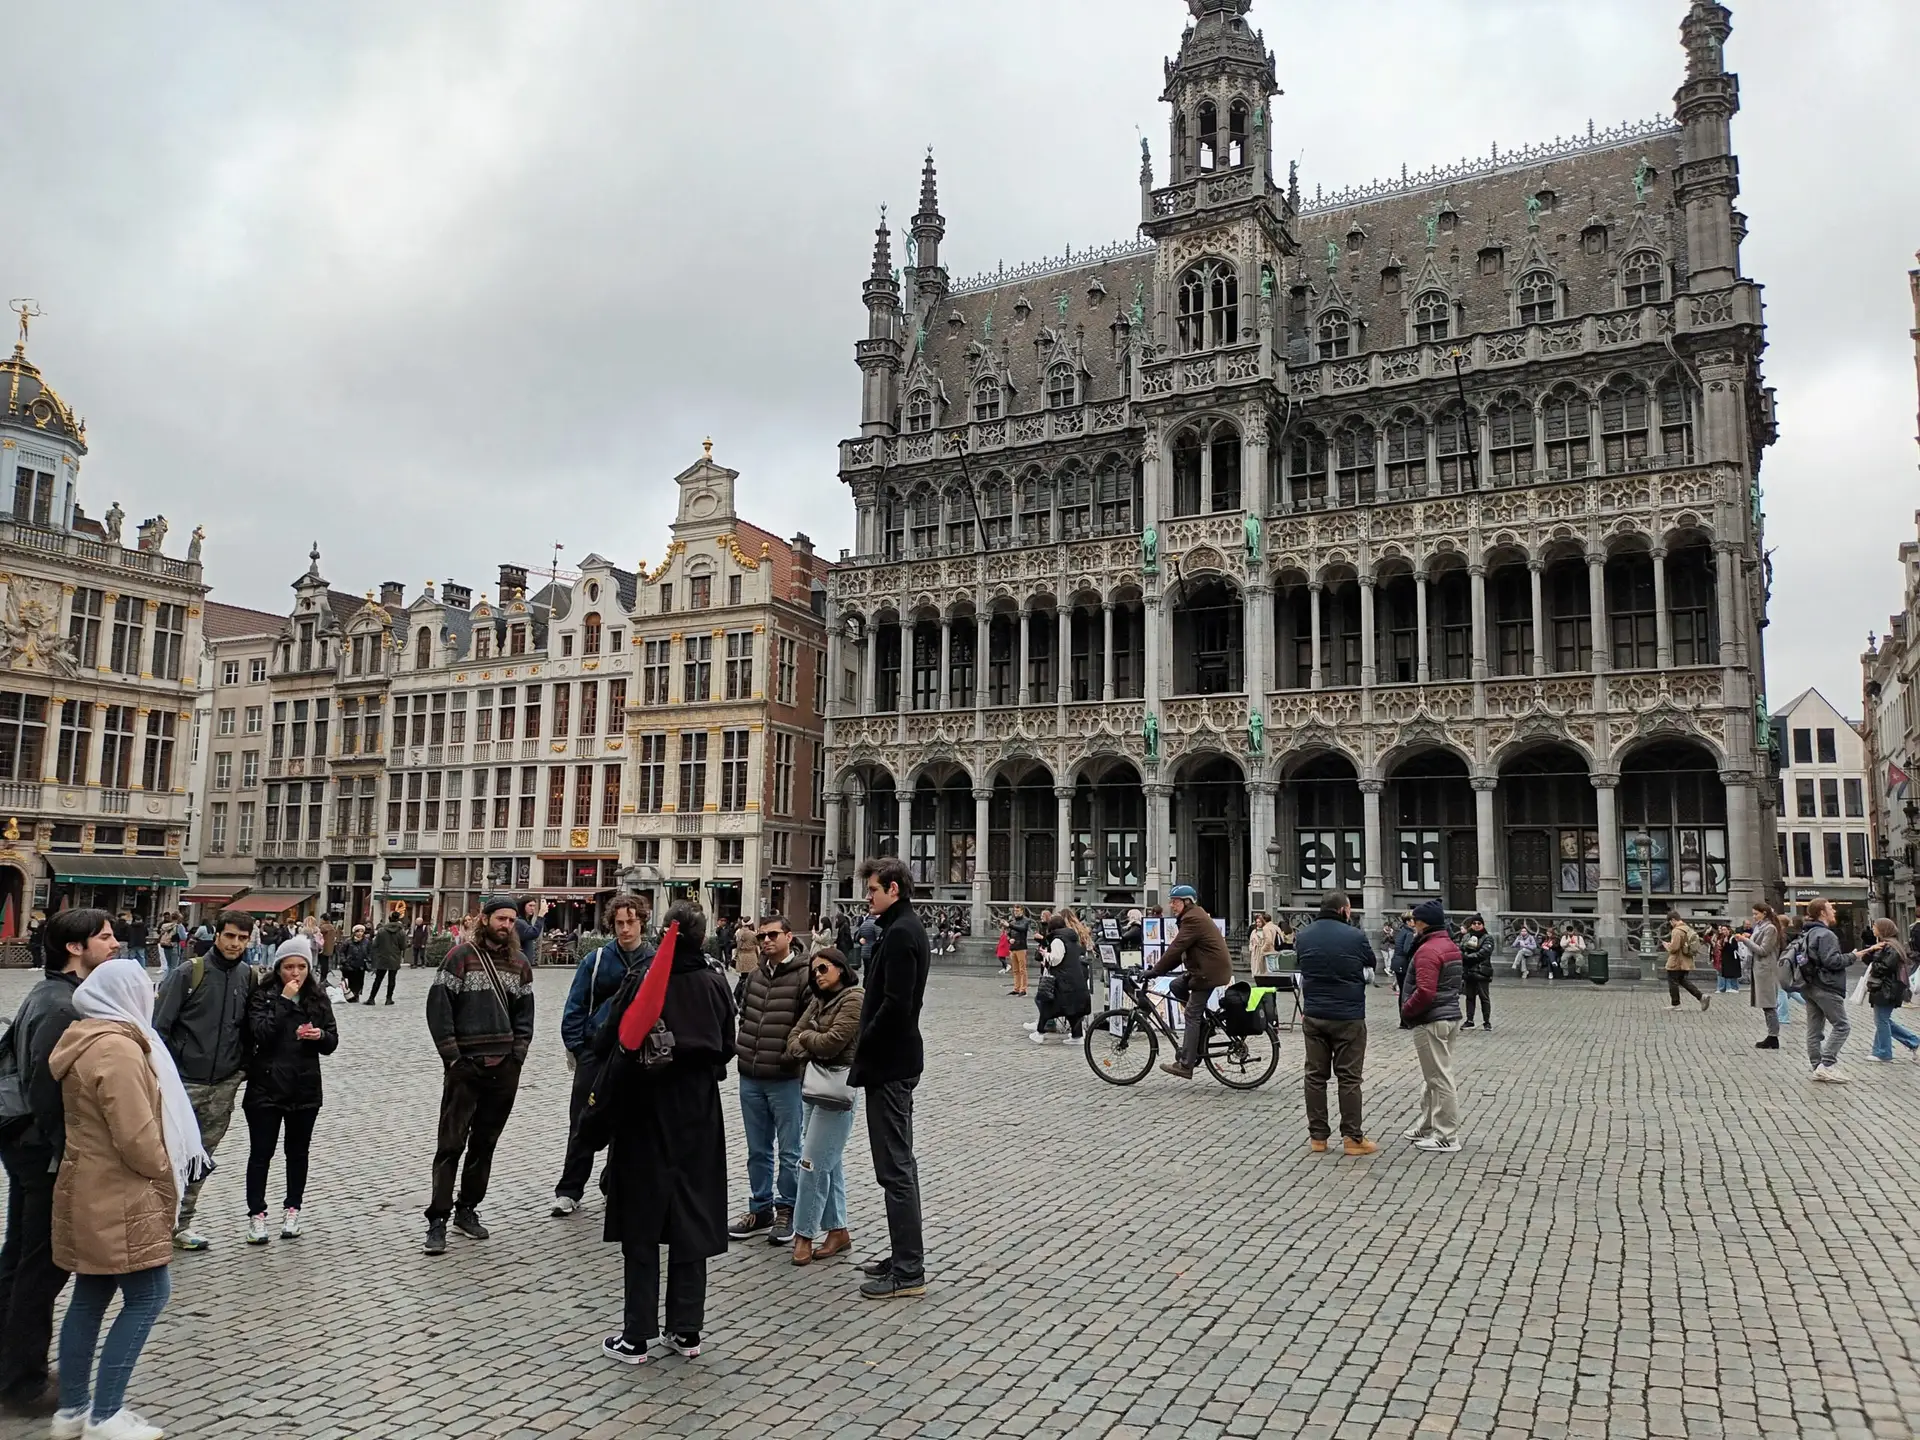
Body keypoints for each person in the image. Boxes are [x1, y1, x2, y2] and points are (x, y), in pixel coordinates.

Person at [49, 956, 212, 1440]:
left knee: (91, 1294)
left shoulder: (85, 1037)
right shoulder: (116, 1050)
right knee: (148, 1295)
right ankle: (105, 1415)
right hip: (119, 1190)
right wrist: (167, 1170)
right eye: (146, 989)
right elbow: (137, 1136)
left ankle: (72, 1410)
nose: (153, 997)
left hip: (90, 1185)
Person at [592, 900, 735, 1364]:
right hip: (697, 1110)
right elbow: (728, 1045)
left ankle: (636, 1335)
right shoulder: (716, 982)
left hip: (646, 1106)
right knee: (691, 1214)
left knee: (641, 1220)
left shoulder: (646, 978)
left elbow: (612, 1035)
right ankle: (686, 1329)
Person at [0, 909, 117, 1420]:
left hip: (26, 1144)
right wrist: (63, 1152)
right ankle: (22, 1382)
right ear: (75, 948)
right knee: (40, 1266)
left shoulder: (57, 996)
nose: (115, 944)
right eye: (105, 937)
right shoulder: (60, 1006)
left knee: (21, 1257)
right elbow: (46, 1090)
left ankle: (11, 1367)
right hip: (39, 1150)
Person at [422, 896, 537, 1255]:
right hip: (466, 1067)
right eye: (501, 918)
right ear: (485, 919)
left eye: (512, 920)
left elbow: (525, 1017)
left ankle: (467, 1208)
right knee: (451, 1143)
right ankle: (437, 1218)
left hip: (502, 1068)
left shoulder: (520, 964)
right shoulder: (460, 957)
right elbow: (439, 1009)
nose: (507, 925)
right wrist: (453, 1058)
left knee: (485, 1142)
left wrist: (516, 1058)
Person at [151, 908, 257, 1252]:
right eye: (230, 936)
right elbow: (159, 1029)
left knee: (202, 1159)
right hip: (184, 1083)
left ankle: (182, 1225)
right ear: (217, 935)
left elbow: (248, 1030)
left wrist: (241, 1070)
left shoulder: (248, 976)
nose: (235, 943)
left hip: (222, 1086)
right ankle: (154, 1226)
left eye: (242, 938)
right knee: (168, 1157)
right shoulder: (189, 973)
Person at [850, 856, 930, 1300]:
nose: (868, 896)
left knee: (894, 1166)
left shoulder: (901, 933)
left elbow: (895, 1004)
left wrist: (864, 1044)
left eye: (874, 889)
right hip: (896, 1060)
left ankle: (908, 1270)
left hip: (890, 1062)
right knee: (898, 1163)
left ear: (894, 889)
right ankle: (903, 1254)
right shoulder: (902, 928)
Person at [553, 894, 654, 1218]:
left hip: (636, 1055)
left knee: (628, 1123)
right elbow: (575, 1006)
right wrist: (581, 1049)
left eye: (631, 922)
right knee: (583, 1122)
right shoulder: (596, 960)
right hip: (596, 1053)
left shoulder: (654, 961)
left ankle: (615, 1185)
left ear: (642, 922)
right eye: (619, 923)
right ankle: (570, 1190)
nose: (625, 929)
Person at [241, 937, 339, 1245]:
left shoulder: (317, 997)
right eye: (288, 967)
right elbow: (261, 1034)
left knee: (297, 1154)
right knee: (261, 1154)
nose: (295, 973)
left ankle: (293, 1210)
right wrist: (283, 1001)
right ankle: (257, 1215)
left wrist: (319, 1034)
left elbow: (332, 1042)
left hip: (304, 1087)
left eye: (301, 966)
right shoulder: (262, 995)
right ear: (278, 968)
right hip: (266, 1087)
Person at [726, 916, 810, 1246]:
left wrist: (792, 1057)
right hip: (751, 1074)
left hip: (786, 1078)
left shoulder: (804, 976)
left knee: (790, 1150)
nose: (766, 941)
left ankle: (786, 1209)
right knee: (757, 1150)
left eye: (773, 935)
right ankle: (759, 1208)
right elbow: (745, 1014)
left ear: (789, 936)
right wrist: (743, 1049)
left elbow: (808, 1024)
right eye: (762, 936)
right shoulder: (756, 975)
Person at [784, 947, 864, 1265]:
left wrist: (808, 1038)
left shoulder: (854, 999)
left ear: (841, 969)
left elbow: (833, 1044)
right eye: (814, 970)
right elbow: (793, 1039)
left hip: (838, 1089)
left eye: (824, 968)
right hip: (814, 1086)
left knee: (812, 1164)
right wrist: (809, 1038)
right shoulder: (819, 1000)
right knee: (828, 1161)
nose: (818, 975)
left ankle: (803, 1233)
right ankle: (837, 1229)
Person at [1293, 892, 1376, 1157]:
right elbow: (1371, 962)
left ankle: (1318, 1137)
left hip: (1315, 1013)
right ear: (1343, 910)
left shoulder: (1304, 935)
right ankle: (1352, 1138)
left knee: (1315, 1076)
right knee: (1349, 1077)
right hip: (1348, 1016)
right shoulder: (1355, 935)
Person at [1148, 884, 1234, 1081]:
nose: (1171, 905)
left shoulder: (1193, 918)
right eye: (1171, 901)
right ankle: (1203, 1027)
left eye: (1175, 901)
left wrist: (1156, 970)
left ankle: (1186, 1064)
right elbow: (1181, 951)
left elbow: (1177, 947)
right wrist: (1159, 970)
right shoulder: (1193, 916)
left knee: (1191, 1014)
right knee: (1176, 985)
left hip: (1208, 973)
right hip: (1204, 969)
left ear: (1187, 902)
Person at [1400, 899, 1464, 1153]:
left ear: (1423, 923)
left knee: (1439, 1077)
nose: (1412, 925)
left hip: (1431, 1019)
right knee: (1433, 1076)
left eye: (1414, 921)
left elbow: (1425, 991)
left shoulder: (1428, 949)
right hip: (1449, 1015)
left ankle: (1447, 1135)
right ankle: (1426, 1125)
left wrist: (1407, 1011)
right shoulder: (1448, 944)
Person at [1796, 897, 1852, 1081]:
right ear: (1822, 912)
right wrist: (1853, 956)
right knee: (1842, 1025)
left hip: (1809, 985)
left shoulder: (1807, 933)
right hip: (1825, 985)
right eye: (1830, 908)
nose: (1834, 911)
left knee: (1814, 1029)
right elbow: (1832, 961)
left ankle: (1817, 1066)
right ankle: (1826, 1064)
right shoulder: (1826, 935)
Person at [1030, 910, 1092, 1044]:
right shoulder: (1071, 937)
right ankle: (1077, 1036)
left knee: (1048, 1006)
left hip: (1062, 979)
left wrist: (1045, 954)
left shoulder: (1058, 940)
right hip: (1074, 978)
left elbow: (1056, 959)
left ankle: (1040, 1033)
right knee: (1072, 1010)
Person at [1862, 919, 1918, 1062]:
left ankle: (1884, 1052)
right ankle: (1911, 1042)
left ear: (1883, 929)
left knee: (1882, 1020)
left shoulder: (1891, 947)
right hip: (1885, 988)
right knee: (1882, 1020)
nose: (1873, 929)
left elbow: (1886, 967)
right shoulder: (1885, 945)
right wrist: (1871, 951)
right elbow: (1870, 960)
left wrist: (1874, 962)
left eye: (1875, 927)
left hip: (1887, 988)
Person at [1749, 901, 1783, 1049]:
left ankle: (1773, 1036)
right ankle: (1771, 1035)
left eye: (1756, 914)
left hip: (1766, 969)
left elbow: (1763, 950)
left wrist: (1745, 941)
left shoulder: (1770, 928)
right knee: (1766, 1005)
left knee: (1769, 1004)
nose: (1754, 916)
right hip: (1760, 968)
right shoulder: (1761, 927)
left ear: (1764, 913)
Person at [1663, 910, 1709, 1012]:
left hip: (1676, 961)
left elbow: (1674, 948)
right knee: (1683, 980)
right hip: (1686, 960)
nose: (1670, 924)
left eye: (1670, 922)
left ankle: (1676, 1004)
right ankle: (1701, 997)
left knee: (1672, 981)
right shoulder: (1687, 928)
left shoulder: (1677, 931)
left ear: (1673, 920)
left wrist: (1667, 946)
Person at [1458, 915, 1494, 1031]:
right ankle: (1469, 1020)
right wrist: (1464, 955)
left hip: (1481, 971)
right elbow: (1461, 949)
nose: (1477, 925)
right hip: (1468, 971)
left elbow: (1483, 953)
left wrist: (1467, 956)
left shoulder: (1487, 938)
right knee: (1470, 997)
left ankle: (1486, 1021)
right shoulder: (1466, 936)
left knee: (1484, 998)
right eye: (1474, 923)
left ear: (1482, 925)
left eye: (1479, 923)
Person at [365, 912, 406, 1006]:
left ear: (389, 918)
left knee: (378, 979)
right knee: (392, 979)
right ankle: (389, 999)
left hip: (382, 957)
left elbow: (375, 944)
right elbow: (403, 946)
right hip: (395, 957)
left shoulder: (382, 930)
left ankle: (371, 998)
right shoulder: (401, 931)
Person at [337, 923, 370, 1002]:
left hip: (360, 965)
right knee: (349, 982)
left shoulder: (366, 942)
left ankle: (356, 995)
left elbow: (370, 952)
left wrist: (368, 961)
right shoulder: (348, 941)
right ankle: (349, 995)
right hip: (349, 965)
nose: (360, 933)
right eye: (358, 931)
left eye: (362, 931)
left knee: (359, 982)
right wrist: (344, 961)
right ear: (354, 932)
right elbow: (341, 952)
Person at [515, 897, 548, 970]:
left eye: (534, 906)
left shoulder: (526, 921)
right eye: (530, 905)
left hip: (525, 962)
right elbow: (533, 933)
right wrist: (540, 915)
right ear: (523, 906)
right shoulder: (519, 922)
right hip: (520, 962)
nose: (532, 908)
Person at [1006, 906, 1030, 997]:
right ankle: (1016, 988)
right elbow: (1008, 934)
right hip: (1013, 948)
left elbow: (1022, 929)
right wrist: (1009, 939)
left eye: (1017, 910)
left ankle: (1023, 989)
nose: (1016, 912)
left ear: (1022, 911)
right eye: (1014, 911)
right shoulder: (1012, 921)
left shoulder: (1026, 921)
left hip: (1021, 947)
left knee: (1022, 969)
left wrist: (1010, 925)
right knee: (1015, 970)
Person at [1247, 910, 1279, 979]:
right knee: (1256, 969)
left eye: (1259, 922)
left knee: (1266, 969)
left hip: (1264, 952)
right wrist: (1252, 948)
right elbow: (1251, 942)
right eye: (1257, 922)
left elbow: (1268, 941)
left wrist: (1262, 949)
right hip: (1256, 953)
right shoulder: (1254, 931)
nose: (1258, 923)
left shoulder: (1266, 929)